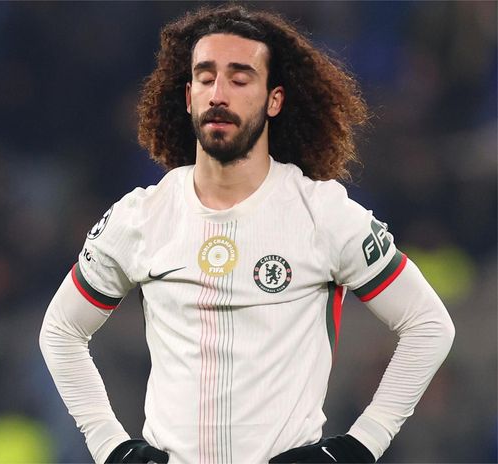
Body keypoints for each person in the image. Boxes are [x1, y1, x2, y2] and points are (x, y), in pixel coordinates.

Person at [39, 5, 454, 464]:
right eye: (205, 77)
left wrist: (360, 446)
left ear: (274, 99)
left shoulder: (322, 213)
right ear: (188, 96)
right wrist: (110, 447)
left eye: (240, 79)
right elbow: (60, 330)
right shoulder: (140, 217)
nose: (219, 94)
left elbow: (429, 325)